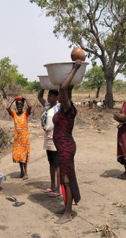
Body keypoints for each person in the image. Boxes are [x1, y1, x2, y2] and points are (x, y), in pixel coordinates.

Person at [53, 60, 83, 224]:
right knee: (64, 176)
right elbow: (65, 88)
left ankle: (68, 213)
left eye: (59, 94)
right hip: (62, 147)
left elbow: (64, 88)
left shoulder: (68, 107)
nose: (58, 95)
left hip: (66, 147)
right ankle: (66, 207)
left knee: (66, 178)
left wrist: (75, 69)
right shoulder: (62, 108)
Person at [38, 89, 61, 197]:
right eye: (48, 95)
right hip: (47, 135)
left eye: (51, 96)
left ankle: (58, 188)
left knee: (57, 164)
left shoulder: (58, 108)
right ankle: (52, 185)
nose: (48, 97)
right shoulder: (47, 106)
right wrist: (43, 86)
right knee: (51, 162)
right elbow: (39, 97)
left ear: (56, 97)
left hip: (55, 135)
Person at [6, 95, 32, 180]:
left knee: (24, 156)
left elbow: (30, 106)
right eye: (18, 106)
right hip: (17, 138)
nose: (19, 107)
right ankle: (21, 172)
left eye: (21, 106)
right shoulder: (14, 114)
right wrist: (14, 99)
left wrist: (25, 98)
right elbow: (7, 107)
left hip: (24, 138)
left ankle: (26, 173)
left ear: (22, 106)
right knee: (19, 156)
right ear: (16, 107)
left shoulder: (25, 114)